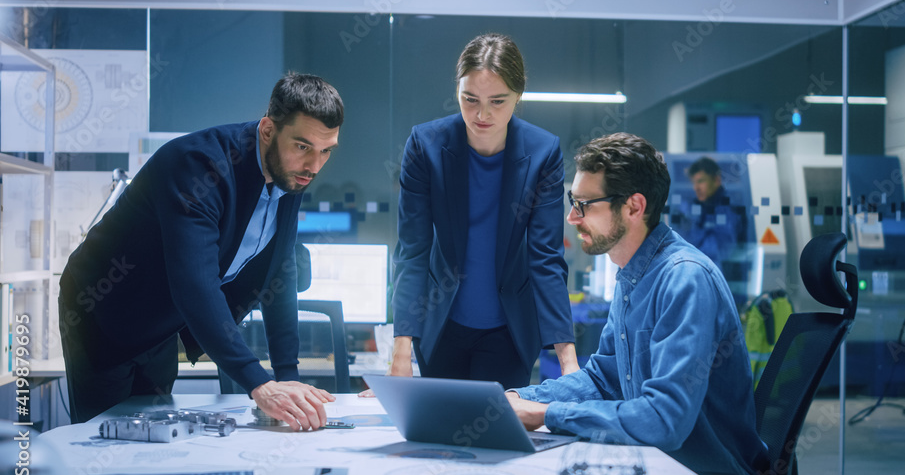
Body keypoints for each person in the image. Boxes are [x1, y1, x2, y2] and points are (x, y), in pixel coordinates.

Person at [58, 72, 342, 429]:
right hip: (103, 309)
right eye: (303, 147)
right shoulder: (198, 166)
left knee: (155, 435)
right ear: (268, 129)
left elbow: (280, 270)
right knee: (108, 440)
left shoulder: (289, 173)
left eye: (326, 151)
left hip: (162, 321)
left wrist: (287, 375)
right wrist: (260, 384)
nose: (314, 166)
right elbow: (197, 285)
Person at [507, 133, 767, 475]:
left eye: (584, 204)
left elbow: (664, 419)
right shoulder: (632, 278)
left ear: (633, 207)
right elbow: (602, 378)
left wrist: (546, 413)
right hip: (659, 467)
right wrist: (518, 399)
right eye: (573, 201)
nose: (571, 217)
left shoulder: (685, 280)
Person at [378, 33, 578, 392]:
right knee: (436, 441)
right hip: (441, 326)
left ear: (519, 96)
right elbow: (413, 251)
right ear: (457, 89)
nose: (482, 114)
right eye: (469, 99)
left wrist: (568, 361)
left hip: (510, 331)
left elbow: (545, 258)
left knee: (498, 439)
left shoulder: (543, 152)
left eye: (497, 101)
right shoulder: (426, 146)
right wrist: (401, 349)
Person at [680, 156, 744, 269]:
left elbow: (720, 250)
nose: (696, 188)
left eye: (701, 181)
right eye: (694, 182)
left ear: (716, 180)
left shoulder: (727, 209)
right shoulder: (699, 207)